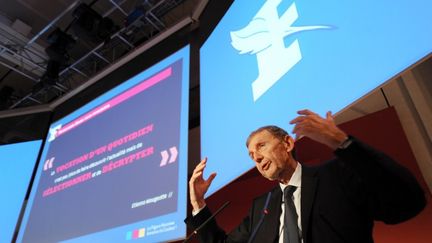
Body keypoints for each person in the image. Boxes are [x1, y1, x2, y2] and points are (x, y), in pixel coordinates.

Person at [185, 109, 426, 243]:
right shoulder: (262, 207)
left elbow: (407, 202)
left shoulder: (335, 175)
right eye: (250, 154)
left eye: (261, 146)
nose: (256, 158)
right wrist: (198, 204)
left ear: (288, 143)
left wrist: (342, 143)